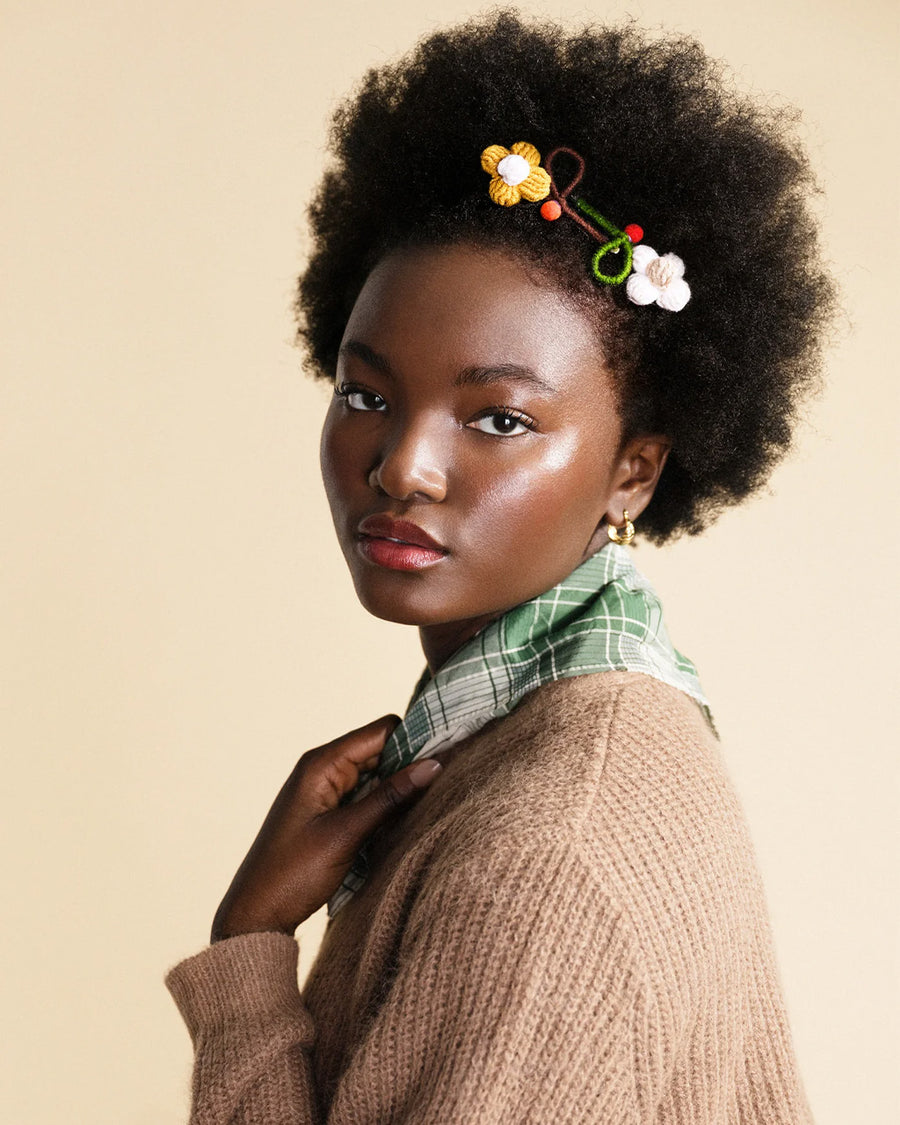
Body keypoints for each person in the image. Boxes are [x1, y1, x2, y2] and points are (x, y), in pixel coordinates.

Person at [165, 11, 833, 1122]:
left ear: (633, 473)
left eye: (502, 420)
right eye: (367, 395)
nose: (401, 468)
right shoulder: (582, 739)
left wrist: (250, 954)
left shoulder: (545, 857)